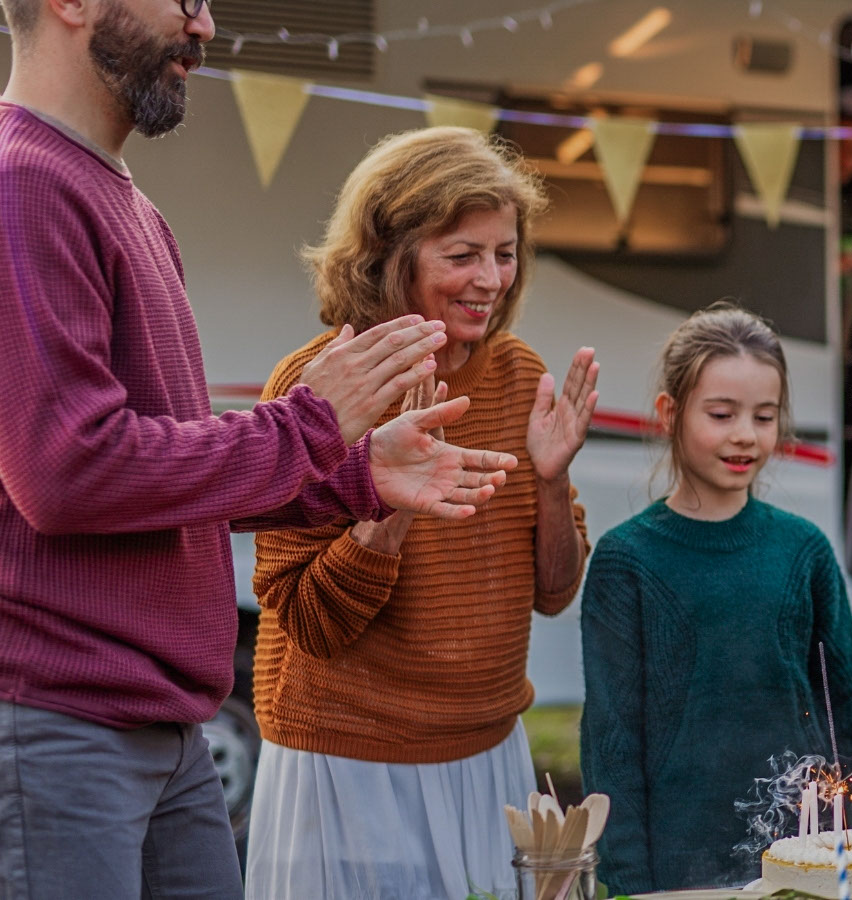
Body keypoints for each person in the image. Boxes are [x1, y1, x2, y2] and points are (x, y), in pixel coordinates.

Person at [0, 2, 518, 897]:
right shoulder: (25, 184)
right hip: (62, 726)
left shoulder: (128, 205)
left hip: (167, 729)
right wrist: (312, 426)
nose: (204, 24)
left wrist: (352, 478)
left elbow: (166, 476)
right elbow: (68, 471)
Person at [244, 127, 598, 900]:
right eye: (462, 254)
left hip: (486, 757)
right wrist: (392, 507)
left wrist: (550, 481)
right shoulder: (321, 383)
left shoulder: (516, 372)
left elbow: (553, 593)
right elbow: (310, 622)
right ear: (389, 252)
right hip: (348, 768)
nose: (492, 278)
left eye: (504, 253)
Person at [580, 303, 852, 894]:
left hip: (806, 853)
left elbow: (846, 711)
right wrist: (630, 882)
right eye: (721, 413)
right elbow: (611, 742)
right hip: (679, 862)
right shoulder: (625, 560)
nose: (745, 433)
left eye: (764, 416)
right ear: (669, 414)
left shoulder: (805, 551)